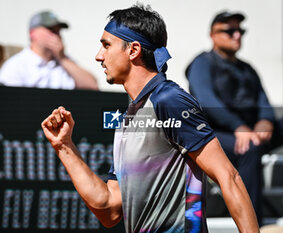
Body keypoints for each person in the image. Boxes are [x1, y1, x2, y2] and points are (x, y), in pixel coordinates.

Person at [41, 5, 259, 233]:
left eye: (106, 45)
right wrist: (64, 147)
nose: (98, 56)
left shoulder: (170, 100)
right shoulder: (127, 121)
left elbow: (229, 177)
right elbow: (109, 208)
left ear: (133, 50)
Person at [185, 11, 283, 225]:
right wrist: (238, 126)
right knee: (248, 148)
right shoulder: (202, 63)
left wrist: (265, 122)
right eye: (229, 31)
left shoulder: (247, 69)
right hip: (217, 135)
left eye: (240, 31)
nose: (237, 35)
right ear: (212, 35)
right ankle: (253, 224)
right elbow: (207, 101)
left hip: (252, 131)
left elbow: (264, 102)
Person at [0, 10, 98, 90]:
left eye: (58, 31)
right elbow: (9, 102)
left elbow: (92, 86)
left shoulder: (65, 62)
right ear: (33, 33)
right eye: (51, 30)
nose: (56, 36)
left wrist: (62, 58)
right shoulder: (16, 65)